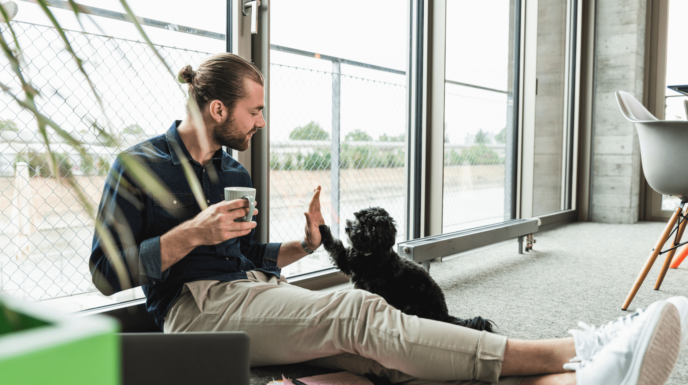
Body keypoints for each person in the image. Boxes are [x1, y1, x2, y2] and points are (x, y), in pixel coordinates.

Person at [89, 53, 686, 385]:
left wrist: (304, 244)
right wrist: (193, 231)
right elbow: (104, 273)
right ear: (216, 108)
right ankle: (576, 348)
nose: (262, 122)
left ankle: (586, 382)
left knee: (388, 361)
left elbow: (244, 257)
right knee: (361, 311)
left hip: (248, 293)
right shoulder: (137, 166)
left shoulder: (232, 169)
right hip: (194, 313)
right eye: (256, 111)